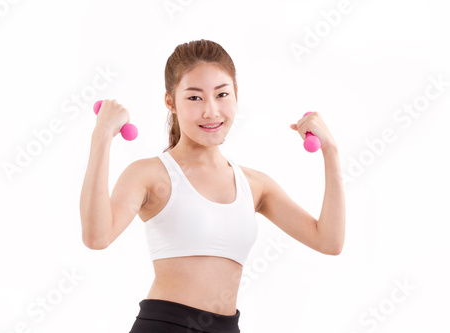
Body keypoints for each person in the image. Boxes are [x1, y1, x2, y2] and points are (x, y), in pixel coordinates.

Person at [79, 39, 345, 333]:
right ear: (171, 102)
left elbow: (329, 242)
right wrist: (101, 137)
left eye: (222, 95)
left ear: (235, 95)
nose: (211, 111)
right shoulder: (150, 174)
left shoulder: (254, 184)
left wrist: (331, 151)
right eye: (194, 98)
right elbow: (97, 237)